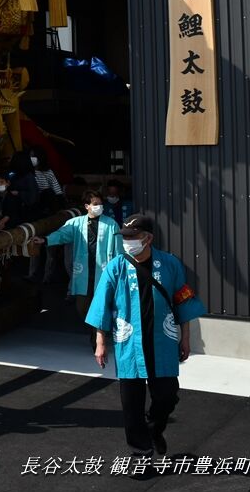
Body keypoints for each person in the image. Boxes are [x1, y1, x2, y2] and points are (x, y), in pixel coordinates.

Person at [86, 214, 206, 462]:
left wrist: (186, 338)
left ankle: (154, 429)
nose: (127, 241)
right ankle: (140, 452)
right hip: (129, 343)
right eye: (125, 237)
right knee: (132, 405)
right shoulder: (116, 266)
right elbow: (101, 305)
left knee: (167, 395)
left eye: (132, 237)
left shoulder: (170, 264)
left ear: (148, 238)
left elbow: (182, 301)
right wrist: (100, 343)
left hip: (162, 340)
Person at [30, 190, 122, 335]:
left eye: (100, 204)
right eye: (95, 204)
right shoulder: (75, 223)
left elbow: (119, 249)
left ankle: (99, 334)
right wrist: (45, 239)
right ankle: (95, 330)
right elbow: (62, 234)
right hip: (84, 271)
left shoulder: (111, 224)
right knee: (82, 306)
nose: (99, 206)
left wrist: (119, 270)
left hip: (104, 272)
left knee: (103, 304)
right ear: (87, 206)